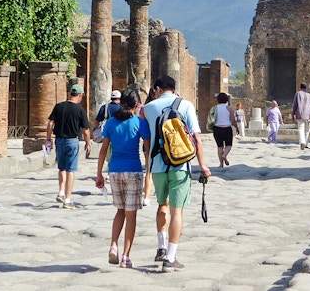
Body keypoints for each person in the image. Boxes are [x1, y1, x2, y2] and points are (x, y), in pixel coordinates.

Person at [143, 75, 211, 272]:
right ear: (174, 88)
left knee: (162, 205)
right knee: (177, 211)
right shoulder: (186, 105)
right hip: (180, 165)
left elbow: (146, 137)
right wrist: (203, 165)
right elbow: (196, 138)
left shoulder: (148, 108)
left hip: (157, 165)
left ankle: (161, 247)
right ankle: (171, 257)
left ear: (157, 89)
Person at [95, 87, 151, 269]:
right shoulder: (139, 123)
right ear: (136, 104)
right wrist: (149, 171)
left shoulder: (111, 123)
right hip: (133, 170)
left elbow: (103, 150)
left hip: (114, 170)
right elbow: (148, 151)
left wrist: (99, 174)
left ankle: (113, 245)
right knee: (131, 214)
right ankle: (126, 256)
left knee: (119, 210)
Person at [45, 84, 91, 209]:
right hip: (72, 141)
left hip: (59, 140)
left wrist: (48, 139)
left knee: (62, 168)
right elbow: (85, 130)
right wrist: (88, 143)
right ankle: (68, 199)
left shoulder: (59, 106)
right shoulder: (80, 110)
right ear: (80, 95)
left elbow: (50, 124)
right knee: (71, 170)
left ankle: (61, 192)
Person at [211, 93, 236, 168]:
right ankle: (224, 155)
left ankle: (221, 164)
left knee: (220, 147)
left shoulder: (214, 108)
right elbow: (232, 119)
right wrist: (236, 127)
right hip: (227, 128)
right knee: (229, 145)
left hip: (217, 129)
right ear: (226, 100)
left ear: (217, 100)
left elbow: (211, 119)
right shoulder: (229, 108)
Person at [292, 83, 310, 150]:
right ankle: (305, 143)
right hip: (308, 114)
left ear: (300, 87)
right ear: (306, 87)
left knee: (300, 128)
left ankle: (302, 142)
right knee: (307, 129)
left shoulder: (297, 94)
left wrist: (293, 112)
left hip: (299, 113)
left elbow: (295, 104)